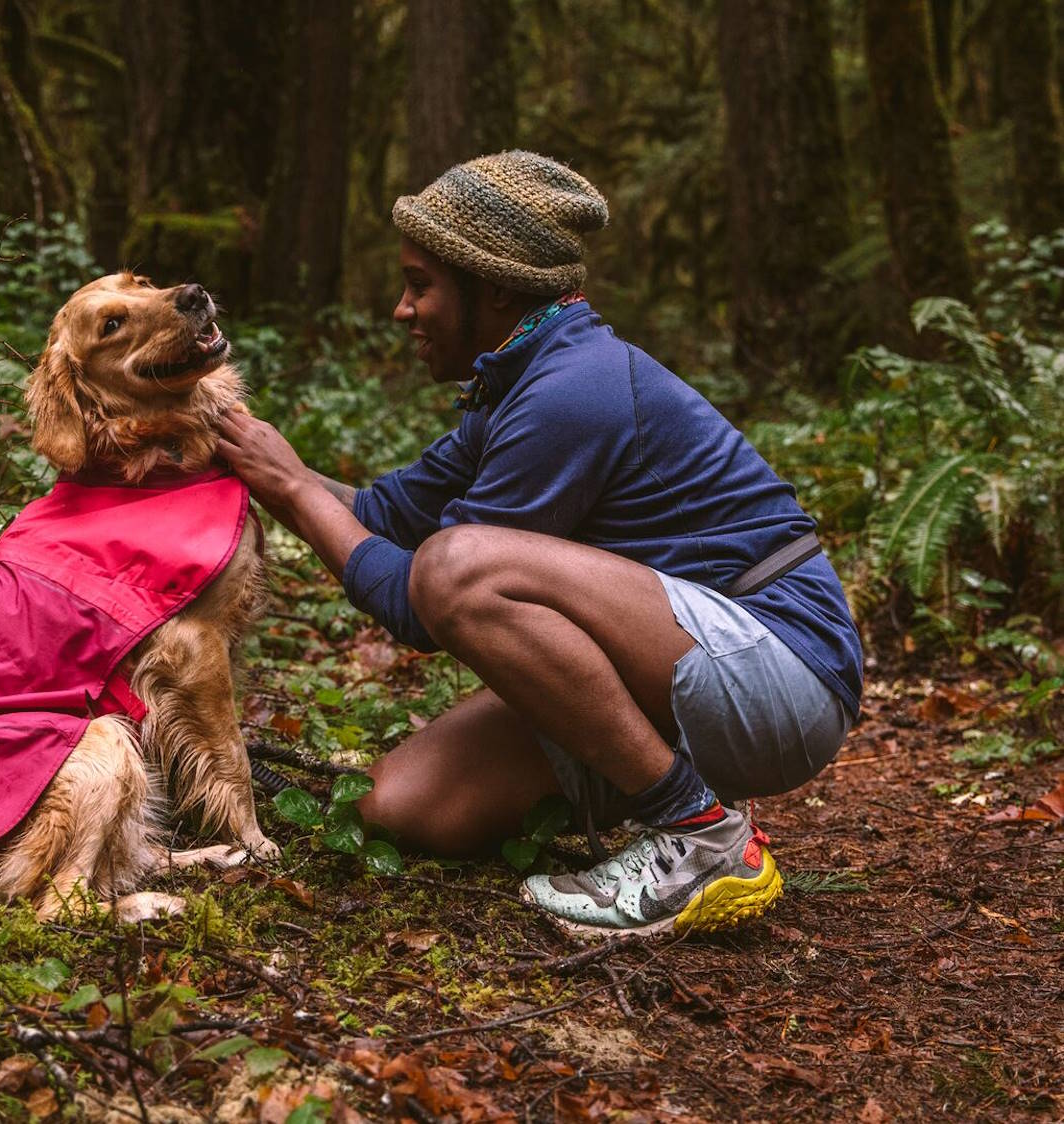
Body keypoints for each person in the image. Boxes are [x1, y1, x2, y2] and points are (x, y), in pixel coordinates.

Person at [216, 150, 861, 938]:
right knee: (401, 804)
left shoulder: (574, 390)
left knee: (459, 568)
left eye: (419, 284)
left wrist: (290, 490)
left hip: (785, 673)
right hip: (694, 670)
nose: (402, 308)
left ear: (490, 287)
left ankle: (699, 837)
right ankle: (682, 785)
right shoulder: (522, 382)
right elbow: (385, 512)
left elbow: (427, 597)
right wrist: (263, 463)